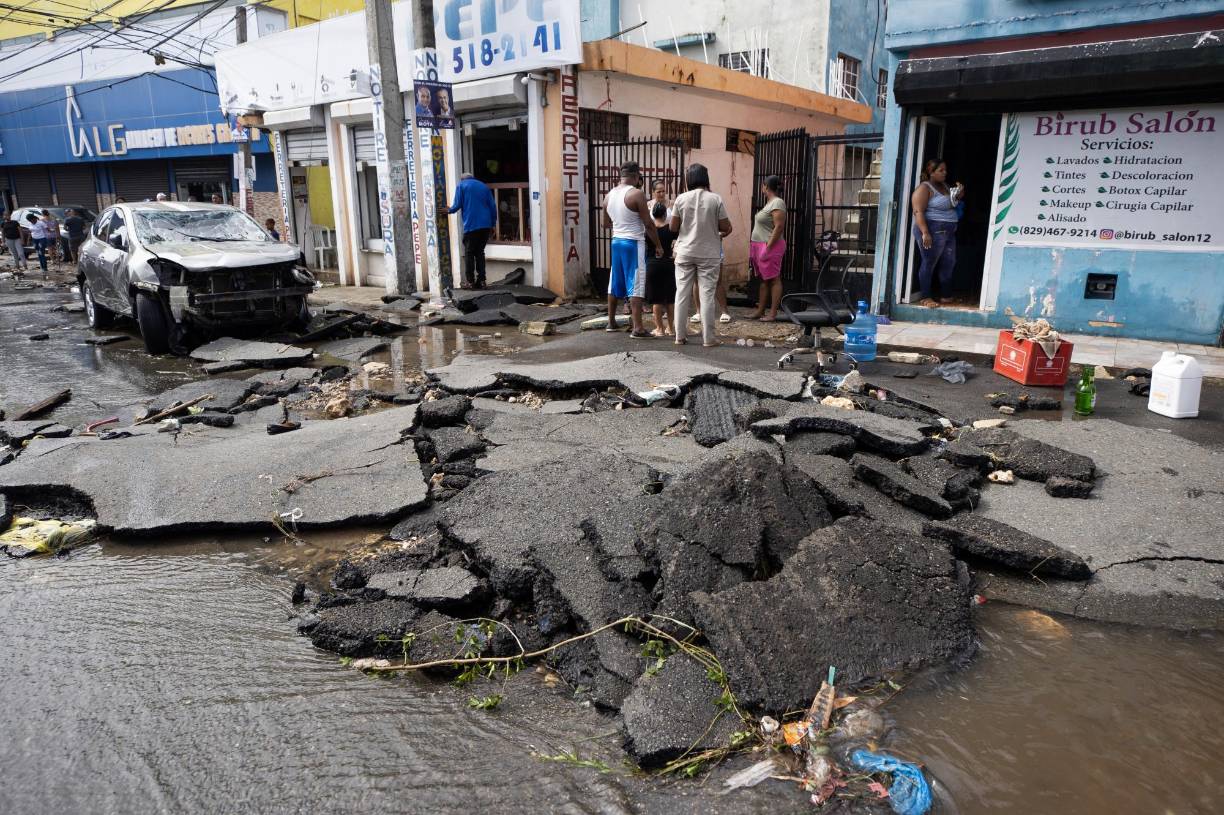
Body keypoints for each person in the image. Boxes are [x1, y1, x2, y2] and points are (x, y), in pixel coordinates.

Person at [671, 163, 732, 347]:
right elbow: (725, 226)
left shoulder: (681, 199)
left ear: (688, 180)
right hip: (708, 253)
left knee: (681, 294)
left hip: (685, 252)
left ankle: (679, 337)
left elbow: (673, 228)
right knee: (707, 295)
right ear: (706, 179)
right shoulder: (715, 199)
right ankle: (709, 339)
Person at [602, 161, 663, 339]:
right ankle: (638, 328)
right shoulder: (636, 194)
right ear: (636, 177)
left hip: (616, 241)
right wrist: (658, 245)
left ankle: (611, 322)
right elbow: (649, 224)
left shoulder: (609, 195)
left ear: (621, 176)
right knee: (636, 283)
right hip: (633, 243)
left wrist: (620, 221)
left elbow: (605, 223)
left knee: (614, 280)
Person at [910, 158, 963, 308]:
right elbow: (918, 211)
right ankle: (926, 297)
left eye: (945, 170)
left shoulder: (945, 186)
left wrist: (959, 193)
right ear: (931, 172)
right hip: (932, 229)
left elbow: (951, 202)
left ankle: (946, 296)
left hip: (949, 231)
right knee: (929, 262)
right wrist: (925, 233)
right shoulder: (924, 188)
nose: (945, 173)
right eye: (941, 170)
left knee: (949, 262)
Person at [447, 172, 498, 289]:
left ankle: (470, 281)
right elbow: (492, 206)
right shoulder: (483, 186)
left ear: (462, 179)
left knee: (469, 253)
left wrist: (449, 210)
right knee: (480, 252)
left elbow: (457, 204)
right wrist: (493, 223)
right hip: (486, 225)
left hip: (471, 225)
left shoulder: (462, 186)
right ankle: (482, 280)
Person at [749, 175, 787, 321]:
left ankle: (772, 314)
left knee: (774, 279)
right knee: (764, 279)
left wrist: (768, 247)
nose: (762, 188)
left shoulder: (777, 202)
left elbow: (779, 226)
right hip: (761, 245)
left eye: (763, 185)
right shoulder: (770, 203)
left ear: (765, 186)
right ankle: (760, 311)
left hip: (770, 245)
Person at [644, 201, 676, 337]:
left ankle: (659, 329)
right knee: (670, 299)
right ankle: (671, 328)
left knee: (656, 299)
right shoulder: (670, 230)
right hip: (668, 265)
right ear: (665, 215)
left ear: (652, 214)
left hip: (653, 265)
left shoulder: (648, 232)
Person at [30, 209, 56, 274]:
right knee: (43, 252)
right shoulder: (52, 219)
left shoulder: (41, 221)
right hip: (42, 238)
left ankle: (46, 265)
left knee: (43, 251)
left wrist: (52, 230)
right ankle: (45, 265)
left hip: (44, 238)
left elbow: (48, 229)